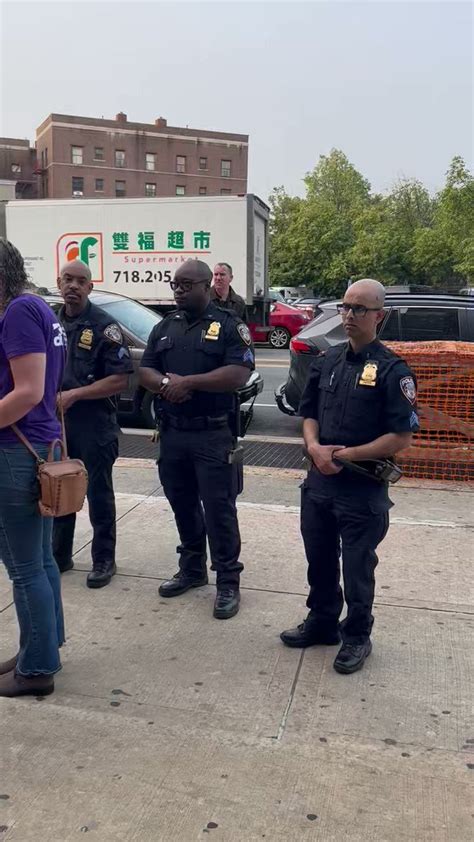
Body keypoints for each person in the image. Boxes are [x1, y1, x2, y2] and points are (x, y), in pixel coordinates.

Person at [280, 279, 419, 674]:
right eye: (345, 307)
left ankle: (357, 635)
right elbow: (308, 414)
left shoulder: (394, 370)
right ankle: (322, 622)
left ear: (380, 316)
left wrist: (343, 455)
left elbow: (401, 436)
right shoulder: (327, 361)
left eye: (359, 309)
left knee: (358, 568)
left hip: (361, 486)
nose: (349, 315)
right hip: (320, 481)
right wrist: (314, 448)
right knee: (318, 558)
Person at [139, 259, 255, 620]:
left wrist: (190, 383)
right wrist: (164, 385)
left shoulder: (228, 326)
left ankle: (228, 582)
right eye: (175, 285)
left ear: (208, 287)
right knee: (182, 503)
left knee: (219, 509)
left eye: (187, 285)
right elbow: (144, 368)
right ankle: (191, 569)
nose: (179, 290)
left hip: (212, 434)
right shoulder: (165, 326)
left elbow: (239, 371)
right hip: (173, 434)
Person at [0, 239, 66, 697]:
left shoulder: (20, 311)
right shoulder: (38, 306)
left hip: (16, 451)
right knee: (40, 560)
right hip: (37, 447)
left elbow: (27, 391)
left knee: (24, 566)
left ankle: (38, 666)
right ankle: (40, 647)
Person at [52, 260, 134, 588]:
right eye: (68, 279)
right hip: (57, 424)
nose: (73, 285)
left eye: (80, 281)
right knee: (58, 488)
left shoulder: (103, 326)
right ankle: (59, 554)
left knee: (99, 493)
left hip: (94, 423)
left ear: (90, 287)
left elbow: (119, 380)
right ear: (59, 283)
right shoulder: (50, 323)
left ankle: (104, 559)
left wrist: (76, 395)